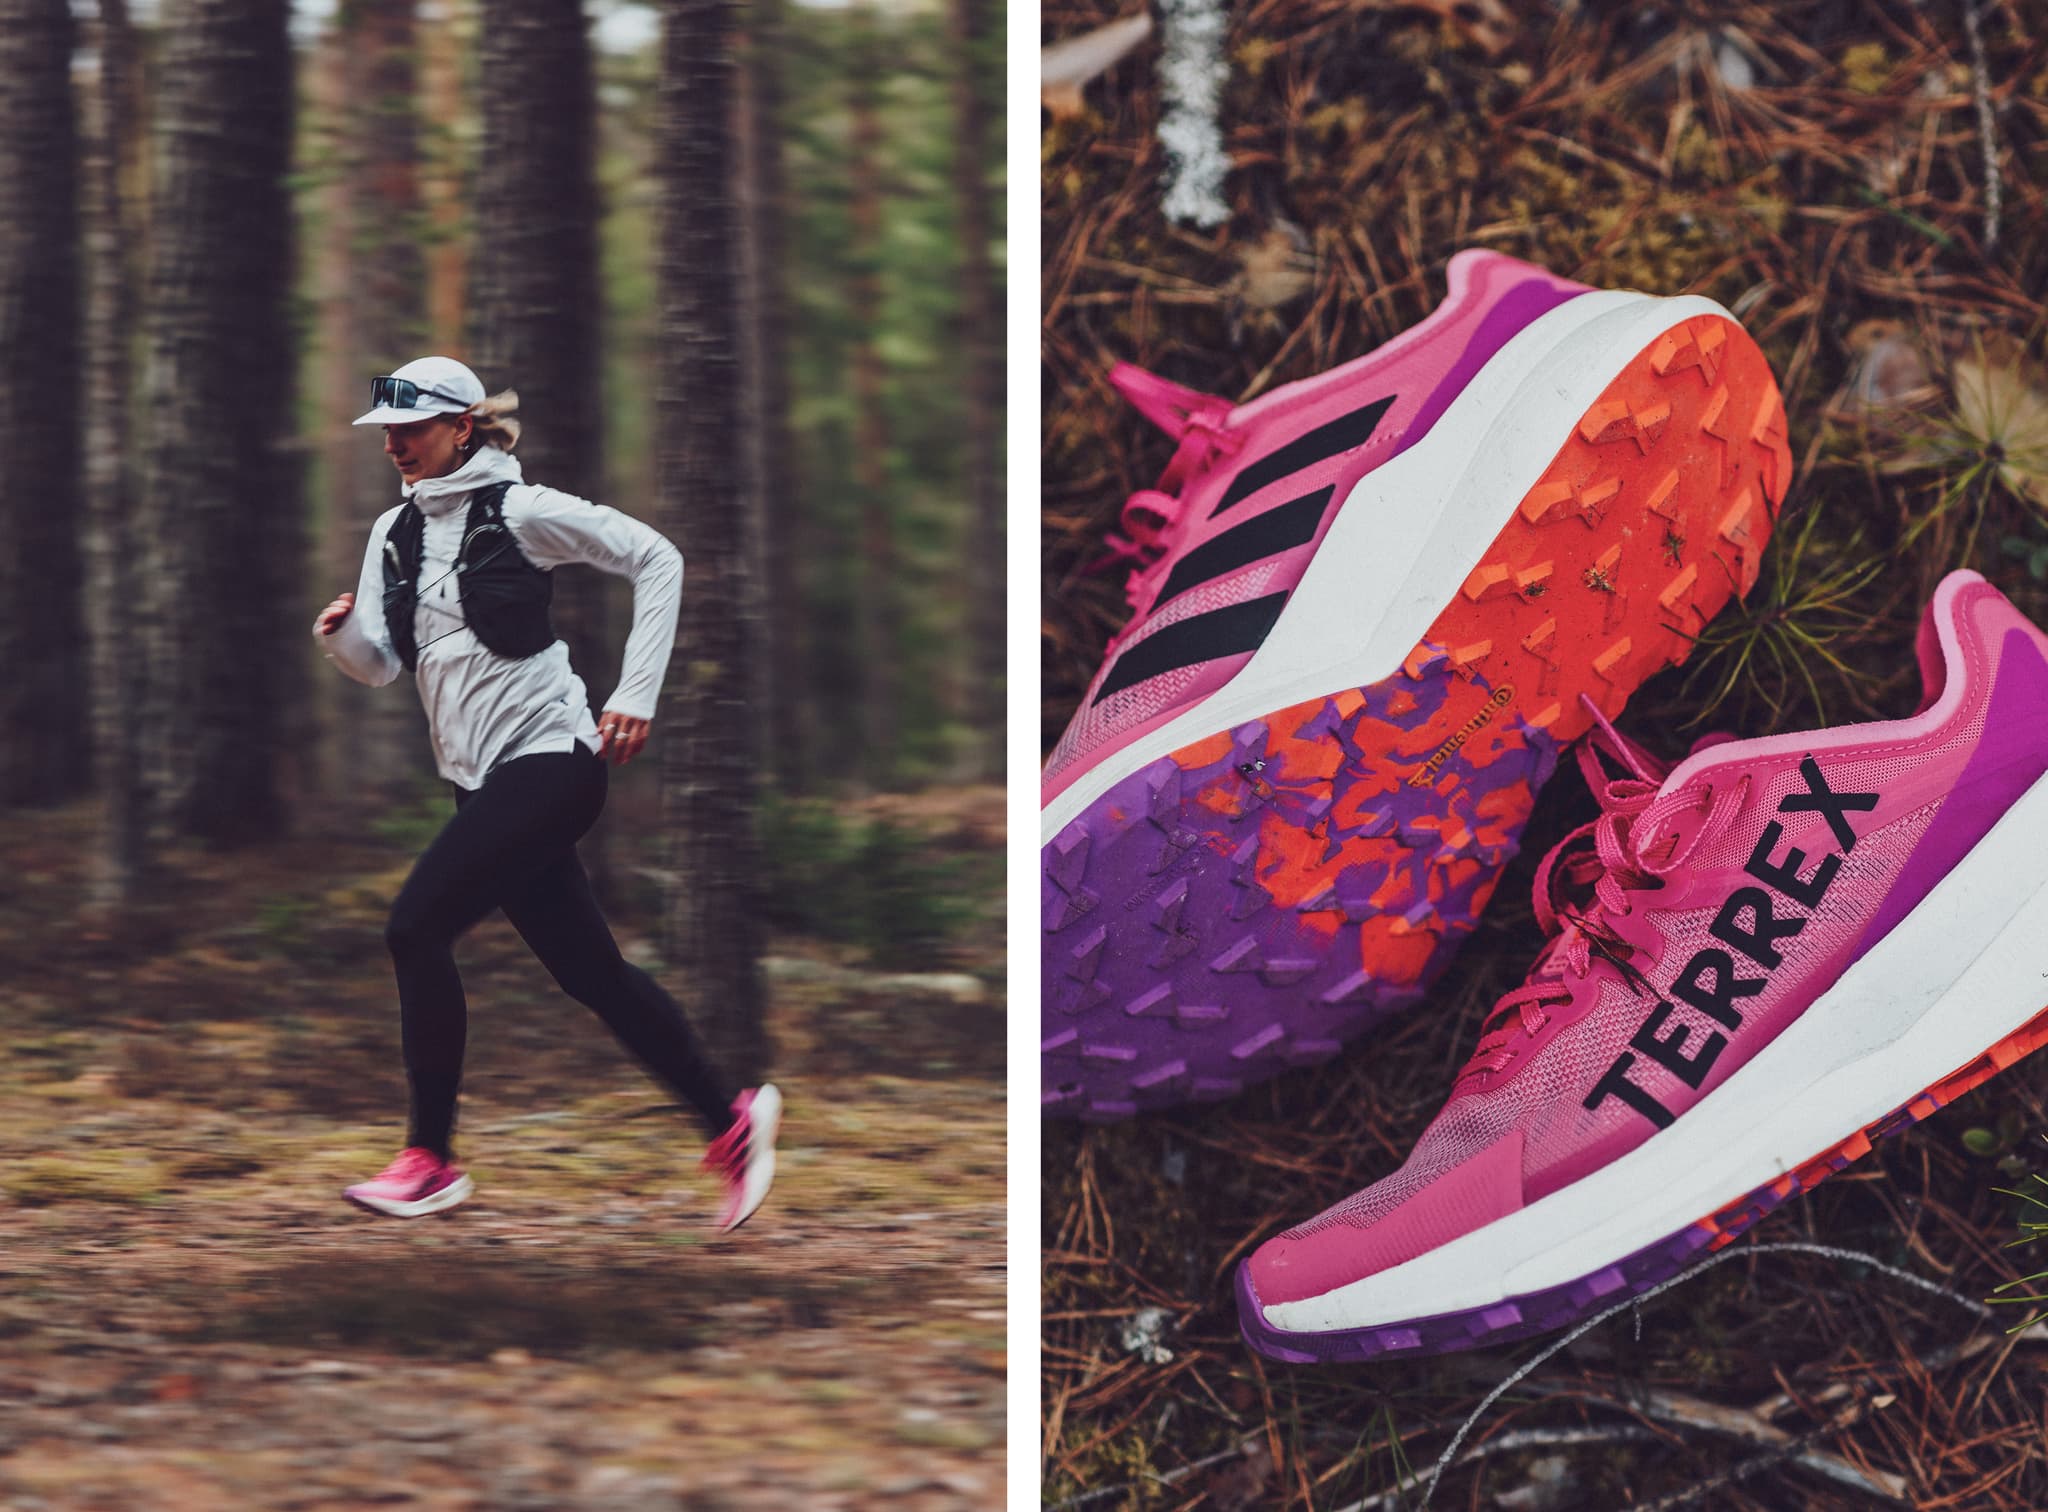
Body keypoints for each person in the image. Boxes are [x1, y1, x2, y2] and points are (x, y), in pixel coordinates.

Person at [313, 354, 778, 1231]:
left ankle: (430, 1159)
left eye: (412, 430)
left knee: (414, 928)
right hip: (478, 783)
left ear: (462, 427)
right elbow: (380, 668)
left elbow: (658, 557)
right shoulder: (392, 537)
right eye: (388, 434)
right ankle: (731, 1122)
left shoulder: (523, 509)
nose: (397, 447)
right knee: (591, 973)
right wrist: (339, 640)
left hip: (554, 762)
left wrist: (634, 694)